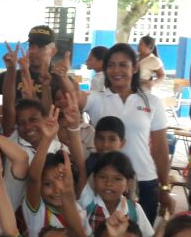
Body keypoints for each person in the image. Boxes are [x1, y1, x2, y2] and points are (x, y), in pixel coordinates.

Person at [63, 43, 172, 223]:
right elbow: (74, 99)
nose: (116, 70)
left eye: (123, 65)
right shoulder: (97, 99)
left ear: (134, 68)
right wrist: (63, 77)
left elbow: (160, 148)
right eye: (111, 65)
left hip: (145, 180)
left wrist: (165, 187)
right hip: (107, 183)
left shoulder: (152, 102)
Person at [0, 25, 57, 97]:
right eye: (31, 46)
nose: (33, 51)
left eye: (40, 47)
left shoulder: (59, 80)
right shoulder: (13, 76)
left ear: (53, 52)